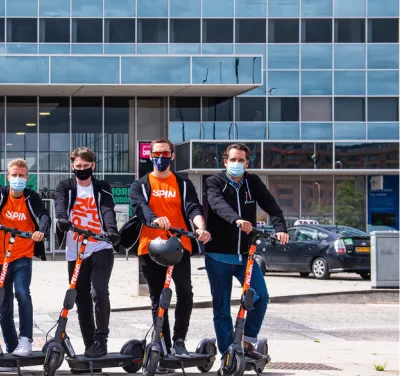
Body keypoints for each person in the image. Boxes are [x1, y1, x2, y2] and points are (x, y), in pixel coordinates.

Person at [203, 143, 290, 361]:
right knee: (222, 308)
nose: (236, 164)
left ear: (247, 163)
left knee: (260, 297)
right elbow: (217, 204)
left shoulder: (253, 182)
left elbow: (272, 206)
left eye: (241, 160)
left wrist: (280, 228)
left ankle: (247, 341)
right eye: (232, 160)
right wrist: (236, 219)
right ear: (225, 161)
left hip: (246, 256)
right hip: (218, 254)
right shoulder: (214, 182)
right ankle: (228, 355)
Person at [129, 138, 211, 360]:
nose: (161, 158)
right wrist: (154, 220)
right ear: (150, 156)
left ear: (172, 156)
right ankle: (162, 344)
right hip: (151, 247)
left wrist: (200, 228)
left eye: (165, 154)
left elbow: (193, 207)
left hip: (179, 246)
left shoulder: (183, 184)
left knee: (185, 293)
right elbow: (140, 208)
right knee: (158, 297)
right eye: (157, 154)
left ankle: (180, 341)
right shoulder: (141, 185)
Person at [53, 147, 119, 358]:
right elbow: (60, 203)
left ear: (93, 166)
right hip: (76, 251)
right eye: (78, 166)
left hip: (100, 246)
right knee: (81, 299)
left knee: (98, 290)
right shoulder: (66, 185)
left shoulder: (101, 186)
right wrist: (62, 218)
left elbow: (107, 208)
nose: (82, 170)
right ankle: (91, 347)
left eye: (86, 166)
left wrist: (111, 231)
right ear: (72, 166)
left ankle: (102, 339)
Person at [0, 158, 49, 357]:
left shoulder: (31, 197)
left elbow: (44, 215)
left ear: (27, 177)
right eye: (14, 175)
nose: (17, 179)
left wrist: (42, 232)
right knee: (4, 304)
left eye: (21, 175)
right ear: (8, 177)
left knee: (22, 293)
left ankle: (25, 340)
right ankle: (12, 349)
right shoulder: (1, 194)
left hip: (22, 255)